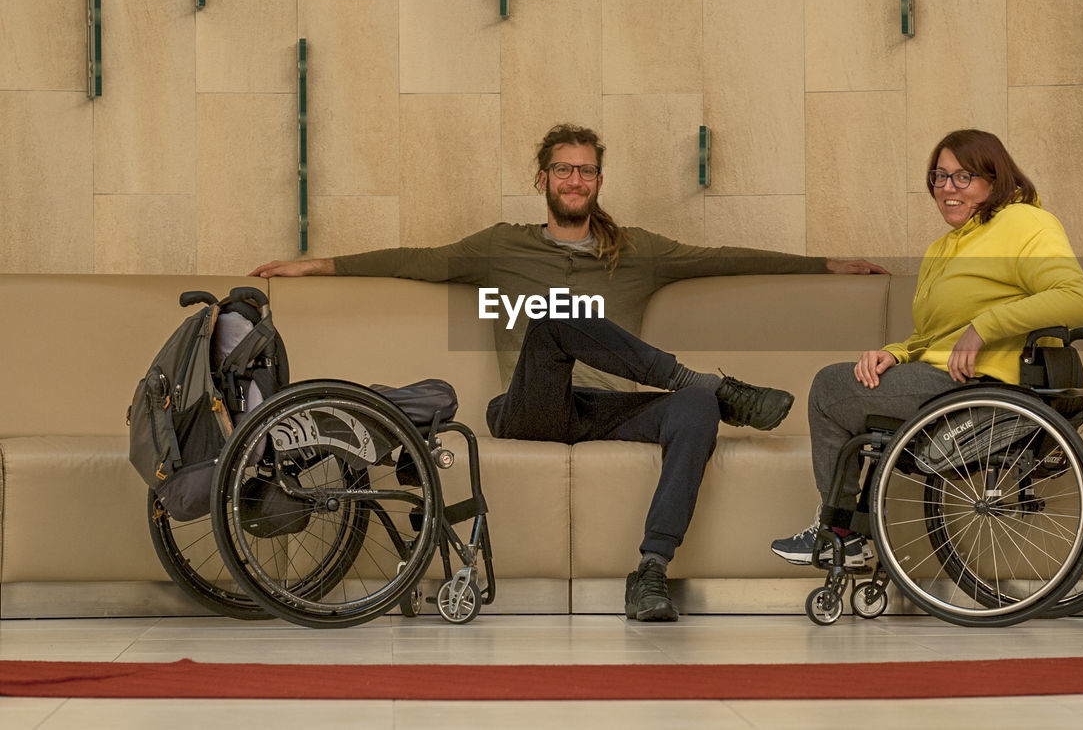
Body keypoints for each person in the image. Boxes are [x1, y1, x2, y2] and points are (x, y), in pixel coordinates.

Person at [253, 123, 887, 622]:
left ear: (598, 181)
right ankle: (709, 385)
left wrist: (826, 264)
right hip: (531, 408)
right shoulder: (502, 245)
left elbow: (722, 257)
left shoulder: (633, 250)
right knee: (555, 320)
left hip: (611, 410)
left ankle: (651, 571)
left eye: (586, 170)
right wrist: (315, 267)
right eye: (564, 168)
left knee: (693, 413)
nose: (575, 179)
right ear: (542, 179)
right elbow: (420, 259)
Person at [770, 129, 1083, 566]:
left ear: (995, 179)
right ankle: (846, 530)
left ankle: (839, 531)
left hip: (986, 381)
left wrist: (985, 328)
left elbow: (1075, 298)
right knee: (850, 381)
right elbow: (935, 335)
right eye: (938, 177)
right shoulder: (941, 249)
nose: (946, 189)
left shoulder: (1025, 222)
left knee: (829, 388)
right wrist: (896, 353)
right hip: (945, 378)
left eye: (963, 177)